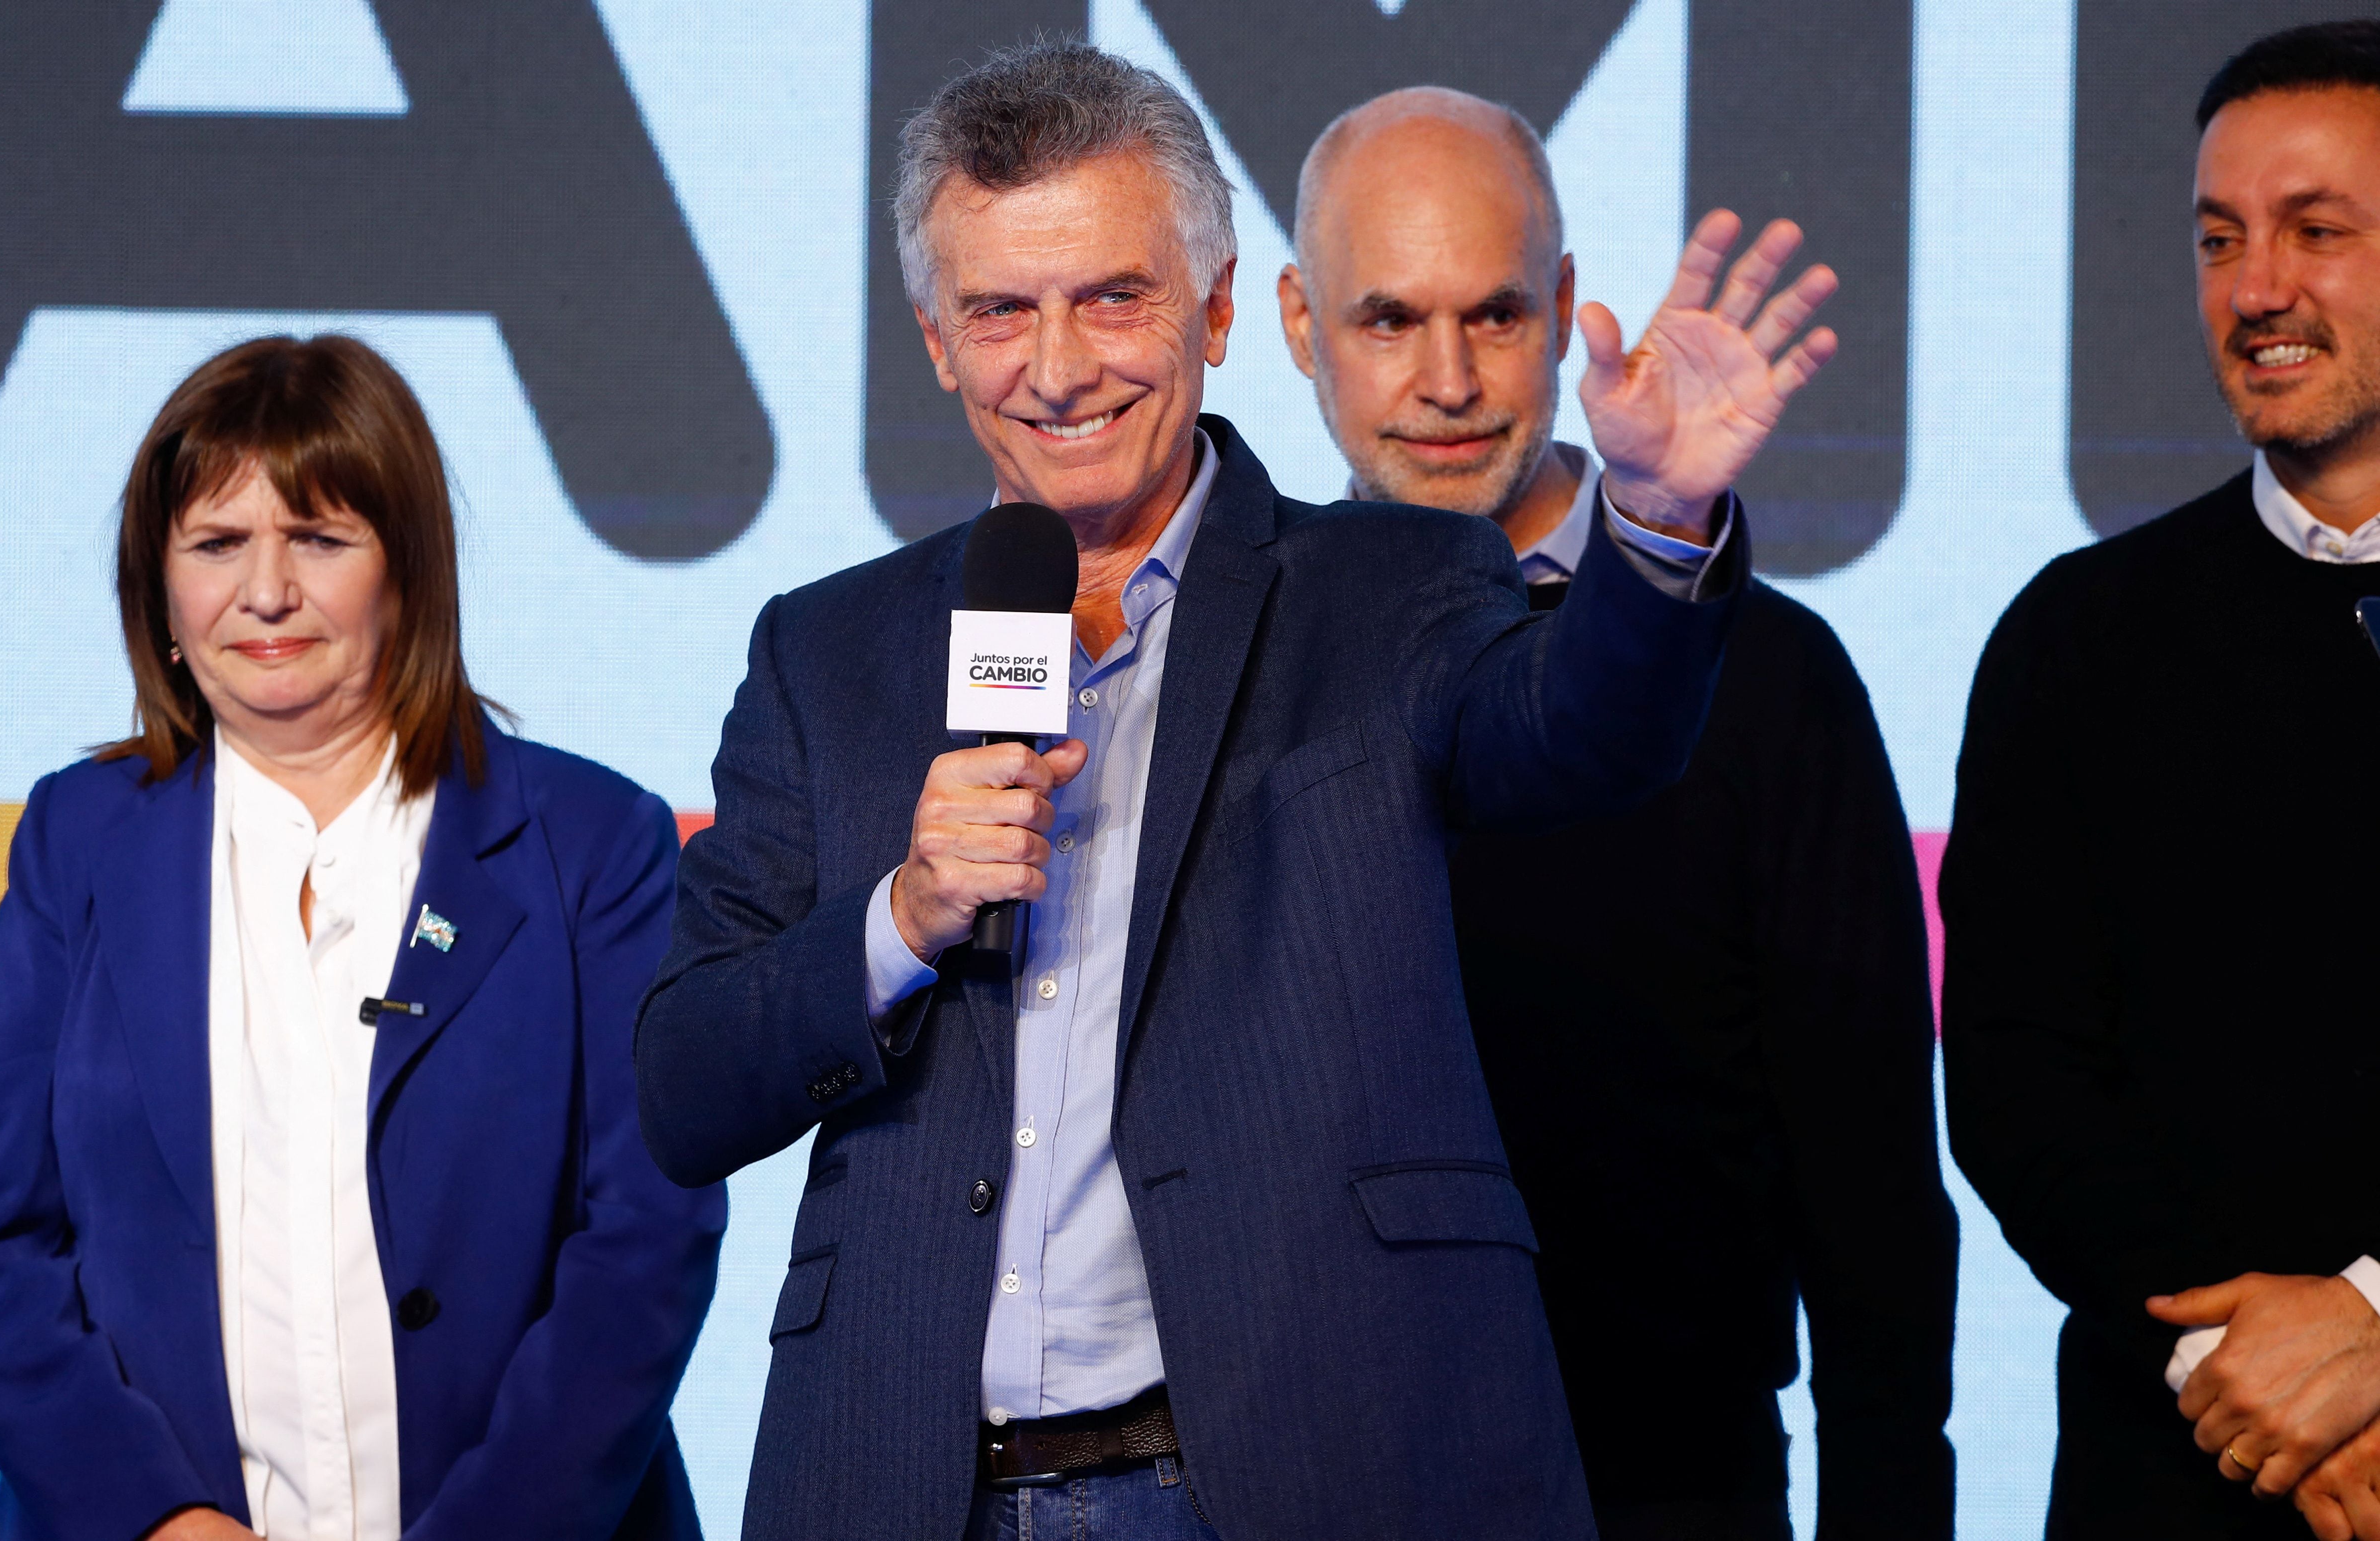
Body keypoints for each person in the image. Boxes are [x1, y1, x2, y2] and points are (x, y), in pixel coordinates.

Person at [635, 41, 1838, 1541]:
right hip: (907, 1482)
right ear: (938, 340)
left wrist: (1655, 525)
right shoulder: (828, 651)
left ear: (1214, 308)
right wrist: (901, 911)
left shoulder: (1394, 586)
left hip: (1298, 1470)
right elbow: (681, 1082)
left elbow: (1579, 736)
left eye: (1114, 298)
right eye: (1002, 309)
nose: (1060, 366)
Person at [1275, 87, 1957, 1541]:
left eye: (1501, 316)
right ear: (1297, 325)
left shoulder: (1770, 677)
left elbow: (1873, 1182)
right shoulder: (1237, 665)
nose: (1449, 378)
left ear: (1571, 307)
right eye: (1390, 319)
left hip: (1673, 1484)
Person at [0, 335, 726, 1541]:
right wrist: (157, 1522)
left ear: (406, 566)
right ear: (160, 587)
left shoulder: (594, 841)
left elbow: (646, 1245)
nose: (266, 593)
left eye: (317, 538)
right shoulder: (76, 842)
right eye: (216, 544)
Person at [1943, 21, 2380, 1541]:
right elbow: (2016, 1085)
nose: (2257, 286)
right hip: (2176, 1476)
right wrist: (2247, 1375)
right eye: (2221, 237)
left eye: (2317, 231)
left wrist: (2376, 1328)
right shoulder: (2081, 636)